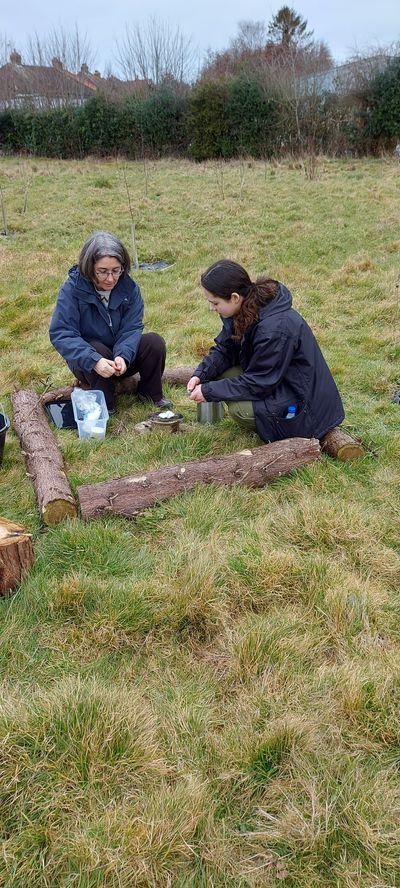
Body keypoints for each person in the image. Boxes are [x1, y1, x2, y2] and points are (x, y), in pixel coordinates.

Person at [187, 259, 344, 442]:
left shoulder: (274, 328)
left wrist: (209, 391)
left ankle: (290, 431)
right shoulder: (241, 311)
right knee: (218, 372)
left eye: (215, 303)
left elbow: (259, 383)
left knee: (240, 410)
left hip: (303, 402)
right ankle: (212, 413)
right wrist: (201, 374)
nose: (212, 308)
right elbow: (225, 349)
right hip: (276, 379)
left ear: (235, 297)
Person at [49, 230, 172, 413]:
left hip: (120, 361)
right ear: (89, 268)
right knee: (98, 348)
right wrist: (95, 360)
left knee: (154, 342)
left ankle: (151, 395)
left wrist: (123, 355)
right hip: (89, 363)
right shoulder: (72, 290)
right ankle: (106, 405)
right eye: (102, 272)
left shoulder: (129, 288)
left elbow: (132, 328)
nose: (110, 279)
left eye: (116, 271)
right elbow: (62, 333)